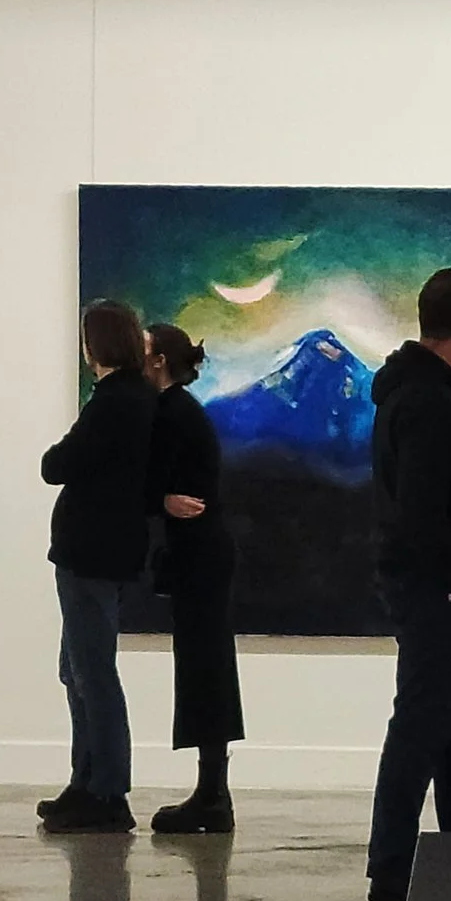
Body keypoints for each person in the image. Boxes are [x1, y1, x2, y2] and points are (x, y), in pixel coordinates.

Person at [365, 267, 451, 901]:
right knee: (425, 717)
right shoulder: (426, 400)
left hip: (435, 581)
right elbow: (419, 508)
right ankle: (393, 863)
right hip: (432, 585)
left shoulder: (426, 390)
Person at [38, 300, 159, 834]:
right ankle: (85, 781)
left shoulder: (113, 402)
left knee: (92, 672)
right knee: (78, 668)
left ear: (97, 344)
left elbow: (56, 463)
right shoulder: (140, 400)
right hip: (108, 551)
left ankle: (107, 789)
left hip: (90, 552)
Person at [142, 324, 244, 834]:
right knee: (206, 667)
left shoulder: (175, 414)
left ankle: (212, 795)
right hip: (203, 556)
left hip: (201, 558)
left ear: (158, 360)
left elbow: (167, 485)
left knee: (205, 669)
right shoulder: (179, 411)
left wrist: (157, 500)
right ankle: (211, 791)